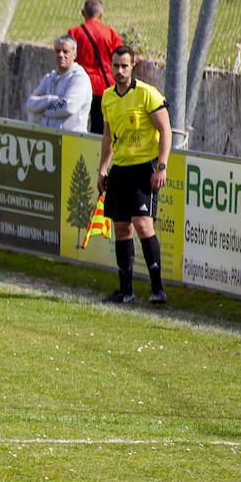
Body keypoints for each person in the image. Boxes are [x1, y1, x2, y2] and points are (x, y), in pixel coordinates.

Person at [98, 45, 171, 306]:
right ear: (111, 65)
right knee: (121, 227)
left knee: (143, 224)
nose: (119, 71)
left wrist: (161, 166)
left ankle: (157, 289)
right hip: (120, 169)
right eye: (116, 65)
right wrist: (103, 169)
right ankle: (125, 291)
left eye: (124, 66)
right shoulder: (107, 97)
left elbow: (165, 130)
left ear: (133, 66)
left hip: (144, 169)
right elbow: (108, 137)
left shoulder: (146, 94)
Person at [68, 0, 122, 134]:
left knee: (77, 126)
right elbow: (121, 56)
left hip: (80, 85)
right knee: (100, 129)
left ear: (82, 13)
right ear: (101, 15)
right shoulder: (110, 33)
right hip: (104, 86)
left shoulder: (74, 32)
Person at [26, 34, 91, 132]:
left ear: (74, 54)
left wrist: (41, 108)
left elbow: (68, 107)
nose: (61, 55)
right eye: (57, 51)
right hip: (48, 139)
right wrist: (53, 99)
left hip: (72, 141)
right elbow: (30, 103)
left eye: (65, 51)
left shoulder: (79, 78)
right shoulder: (49, 78)